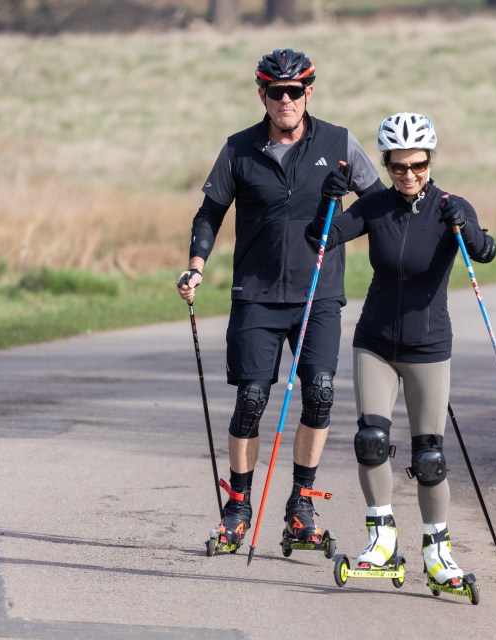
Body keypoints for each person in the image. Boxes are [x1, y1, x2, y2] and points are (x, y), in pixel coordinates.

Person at [176, 48, 384, 550]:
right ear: (262, 94)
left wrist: (337, 227)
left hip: (318, 294)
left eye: (295, 91)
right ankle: (238, 507)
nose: (286, 100)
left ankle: (301, 505)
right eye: (276, 92)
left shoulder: (338, 142)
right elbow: (210, 213)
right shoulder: (239, 149)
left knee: (320, 392)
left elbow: (378, 203)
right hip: (257, 295)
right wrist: (196, 267)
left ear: (309, 92)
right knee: (251, 400)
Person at [305, 112, 496, 587]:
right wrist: (326, 199)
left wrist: (465, 229)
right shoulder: (375, 207)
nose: (408, 175)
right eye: (397, 166)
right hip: (375, 342)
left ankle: (437, 552)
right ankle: (383, 539)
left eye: (418, 165)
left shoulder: (451, 206)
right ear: (387, 165)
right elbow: (321, 238)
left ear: (430, 160)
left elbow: (487, 251)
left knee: (429, 455)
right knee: (370, 440)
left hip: (429, 347)